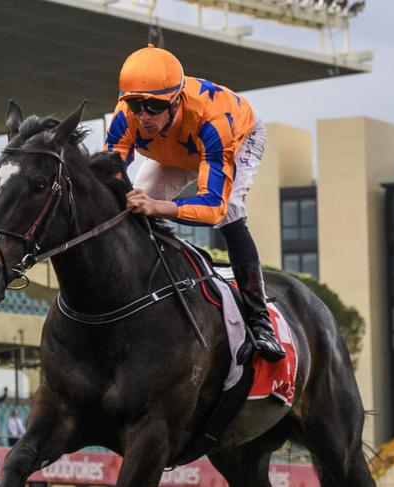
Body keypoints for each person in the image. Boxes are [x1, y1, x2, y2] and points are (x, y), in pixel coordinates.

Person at [105, 44, 285, 363]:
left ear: (175, 100)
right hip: (170, 151)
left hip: (234, 141)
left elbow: (212, 208)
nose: (143, 116)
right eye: (135, 105)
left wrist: (157, 207)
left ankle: (260, 322)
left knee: (230, 213)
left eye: (153, 106)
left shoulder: (213, 121)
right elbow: (109, 175)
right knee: (126, 211)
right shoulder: (125, 116)